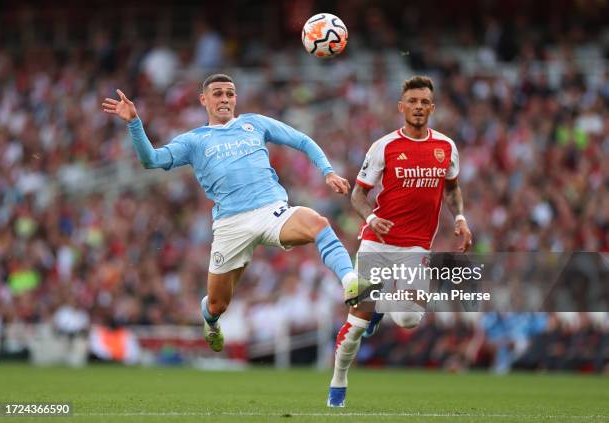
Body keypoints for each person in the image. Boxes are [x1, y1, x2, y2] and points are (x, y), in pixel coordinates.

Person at [102, 73, 372, 353]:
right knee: (219, 303)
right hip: (231, 225)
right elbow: (151, 160)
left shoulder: (253, 123)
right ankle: (210, 319)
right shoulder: (194, 140)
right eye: (217, 94)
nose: (225, 99)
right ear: (203, 100)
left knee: (318, 223)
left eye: (230, 94)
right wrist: (134, 122)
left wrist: (327, 172)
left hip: (272, 211)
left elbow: (302, 140)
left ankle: (350, 281)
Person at [327, 76, 473, 407]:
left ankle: (379, 306)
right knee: (354, 328)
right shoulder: (384, 146)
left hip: (416, 246)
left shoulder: (446, 147)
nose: (418, 107)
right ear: (401, 106)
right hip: (377, 243)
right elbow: (359, 194)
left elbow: (451, 188)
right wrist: (370, 217)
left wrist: (461, 219)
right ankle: (338, 382)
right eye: (413, 101)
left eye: (424, 102)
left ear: (432, 108)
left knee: (408, 319)